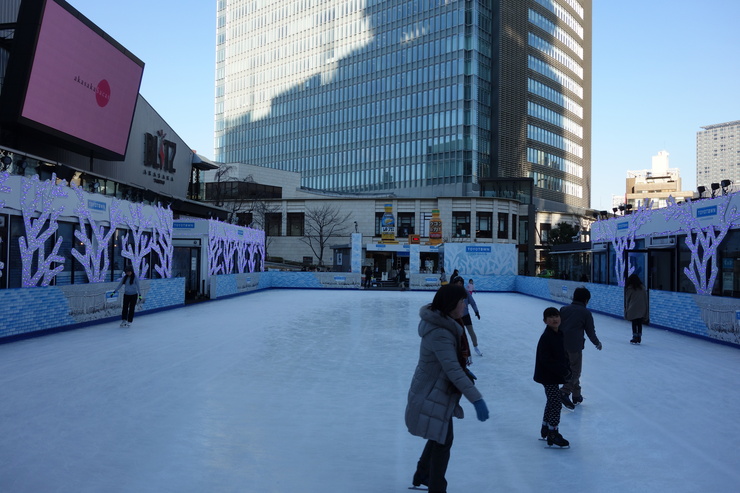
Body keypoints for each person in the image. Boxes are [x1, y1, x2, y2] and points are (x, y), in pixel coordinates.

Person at [406, 284, 489, 492]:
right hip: (432, 391)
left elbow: (450, 362)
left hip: (436, 388)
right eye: (463, 302)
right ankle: (436, 487)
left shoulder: (448, 323)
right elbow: (452, 369)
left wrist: (465, 372)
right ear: (452, 304)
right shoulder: (441, 332)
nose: (465, 306)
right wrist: (476, 399)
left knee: (439, 434)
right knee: (443, 439)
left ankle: (423, 474)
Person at [533, 307, 571, 448]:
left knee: (552, 400)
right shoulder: (547, 337)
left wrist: (566, 367)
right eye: (550, 317)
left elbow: (562, 354)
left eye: (556, 316)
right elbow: (545, 359)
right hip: (547, 375)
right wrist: (562, 370)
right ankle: (553, 432)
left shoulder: (558, 334)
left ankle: (546, 427)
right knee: (555, 402)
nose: (554, 319)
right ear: (545, 321)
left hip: (552, 375)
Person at [559, 287, 602, 408]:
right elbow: (590, 331)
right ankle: (564, 391)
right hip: (574, 346)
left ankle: (576, 395)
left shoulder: (564, 309)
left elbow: (557, 326)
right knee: (576, 371)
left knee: (571, 371)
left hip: (561, 345)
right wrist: (597, 343)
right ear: (586, 300)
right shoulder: (585, 313)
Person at [452, 277, 482, 357]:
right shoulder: (452, 293)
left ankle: (476, 347)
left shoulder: (465, 292)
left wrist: (476, 311)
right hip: (456, 317)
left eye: (461, 283)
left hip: (465, 316)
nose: (459, 285)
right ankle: (456, 348)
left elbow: (472, 302)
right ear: (454, 284)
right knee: (457, 333)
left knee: (471, 332)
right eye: (457, 283)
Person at [624, 273, 649, 344]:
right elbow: (645, 298)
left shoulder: (630, 289)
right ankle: (639, 337)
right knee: (639, 322)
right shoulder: (642, 288)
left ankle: (635, 336)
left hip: (633, 307)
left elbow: (627, 300)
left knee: (634, 322)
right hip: (641, 307)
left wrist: (626, 309)